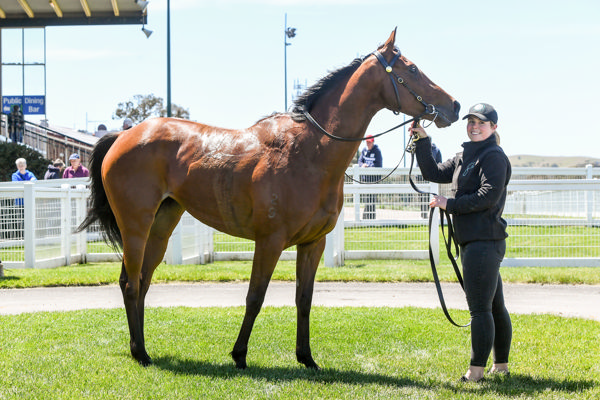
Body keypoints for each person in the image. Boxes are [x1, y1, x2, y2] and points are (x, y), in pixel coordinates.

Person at [409, 103, 512, 383]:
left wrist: (448, 204)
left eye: (481, 122)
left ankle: (476, 371)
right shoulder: (463, 156)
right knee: (494, 306)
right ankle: (500, 366)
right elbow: (433, 172)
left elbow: (487, 196)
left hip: (484, 241)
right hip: (474, 242)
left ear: (493, 128)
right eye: (471, 122)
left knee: (480, 308)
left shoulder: (494, 157)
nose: (474, 127)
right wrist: (423, 141)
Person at [358, 135, 383, 219]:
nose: (368, 144)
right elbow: (360, 161)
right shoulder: (364, 150)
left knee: (371, 199)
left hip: (374, 180)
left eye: (369, 142)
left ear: (373, 142)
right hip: (365, 180)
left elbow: (379, 165)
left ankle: (371, 218)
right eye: (367, 142)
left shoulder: (377, 151)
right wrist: (362, 165)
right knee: (366, 199)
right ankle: (366, 218)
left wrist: (368, 167)